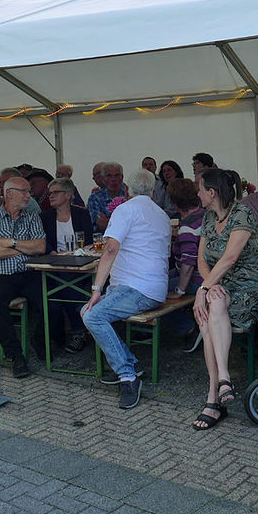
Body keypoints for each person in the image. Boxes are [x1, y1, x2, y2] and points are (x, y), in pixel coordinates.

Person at [82, 169, 170, 409]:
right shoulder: (161, 213)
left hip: (135, 288)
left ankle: (127, 375)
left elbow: (110, 249)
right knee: (87, 313)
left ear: (127, 190)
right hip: (154, 288)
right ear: (153, 191)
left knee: (92, 315)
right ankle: (130, 362)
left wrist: (97, 289)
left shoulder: (125, 209)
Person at [191, 169, 258, 429]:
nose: (198, 194)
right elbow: (201, 259)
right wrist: (207, 287)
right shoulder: (208, 216)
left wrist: (203, 291)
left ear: (212, 193)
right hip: (219, 286)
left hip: (249, 288)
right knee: (211, 309)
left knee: (207, 315)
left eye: (200, 189)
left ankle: (213, 399)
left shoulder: (242, 214)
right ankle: (222, 382)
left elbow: (230, 258)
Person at [0, 176, 46, 377]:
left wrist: (12, 242)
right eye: (24, 191)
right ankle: (15, 355)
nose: (28, 195)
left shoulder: (32, 217)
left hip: (29, 273)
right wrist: (26, 248)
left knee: (49, 301)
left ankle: (39, 340)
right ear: (9, 193)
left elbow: (40, 247)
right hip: (3, 275)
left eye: (29, 192)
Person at [40, 177, 94, 353]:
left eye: (56, 192)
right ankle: (81, 330)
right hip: (54, 265)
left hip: (80, 263)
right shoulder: (45, 217)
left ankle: (80, 330)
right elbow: (43, 242)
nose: (51, 196)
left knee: (67, 284)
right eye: (50, 193)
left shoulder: (81, 214)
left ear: (68, 194)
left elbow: (88, 241)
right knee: (65, 283)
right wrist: (53, 252)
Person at [167, 178, 204, 352]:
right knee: (161, 279)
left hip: (198, 278)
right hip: (207, 273)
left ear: (175, 204)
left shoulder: (187, 226)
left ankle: (188, 328)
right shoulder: (205, 215)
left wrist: (179, 291)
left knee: (154, 291)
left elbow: (189, 263)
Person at [87, 162, 126, 231]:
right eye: (109, 176)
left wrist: (109, 220)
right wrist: (126, 222)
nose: (113, 179)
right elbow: (102, 224)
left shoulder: (129, 195)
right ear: (103, 179)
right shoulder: (95, 198)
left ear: (122, 177)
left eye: (116, 175)